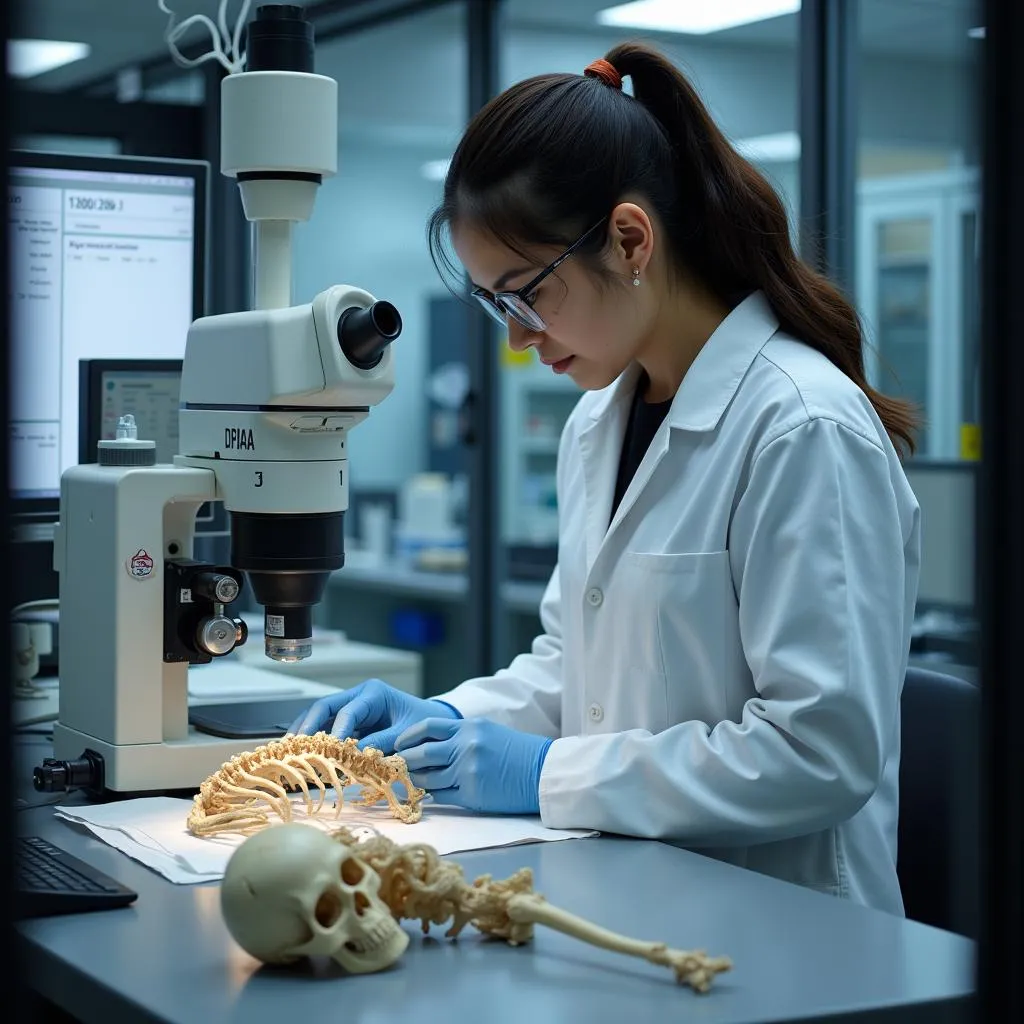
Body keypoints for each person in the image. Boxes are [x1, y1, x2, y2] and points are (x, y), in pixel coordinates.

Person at [291, 42, 921, 916]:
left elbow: (819, 753)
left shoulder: (801, 425)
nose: (516, 337)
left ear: (630, 239)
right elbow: (572, 669)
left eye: (525, 295)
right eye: (495, 306)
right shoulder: (599, 420)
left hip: (789, 924)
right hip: (633, 894)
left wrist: (546, 772)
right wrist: (435, 722)